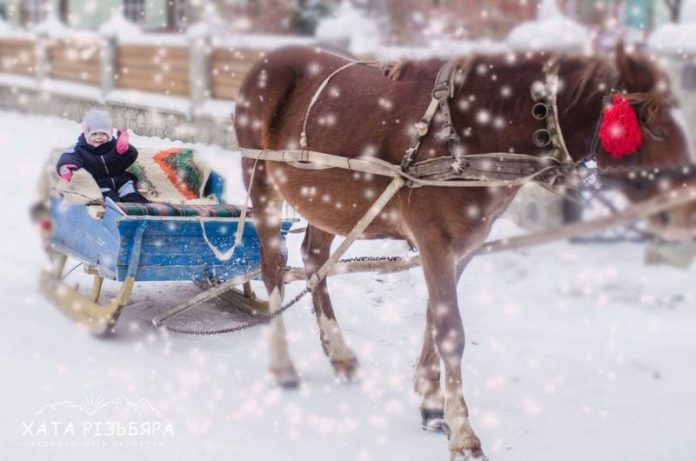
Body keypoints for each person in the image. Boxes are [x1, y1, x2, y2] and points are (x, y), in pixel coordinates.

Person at [56, 109, 148, 203]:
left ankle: (142, 210)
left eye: (103, 133)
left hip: (120, 180)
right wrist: (66, 167)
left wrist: (124, 150)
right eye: (94, 134)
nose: (99, 137)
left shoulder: (115, 145)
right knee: (110, 200)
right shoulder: (80, 149)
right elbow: (69, 156)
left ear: (110, 133)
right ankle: (116, 210)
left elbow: (129, 159)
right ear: (87, 134)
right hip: (98, 184)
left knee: (132, 194)